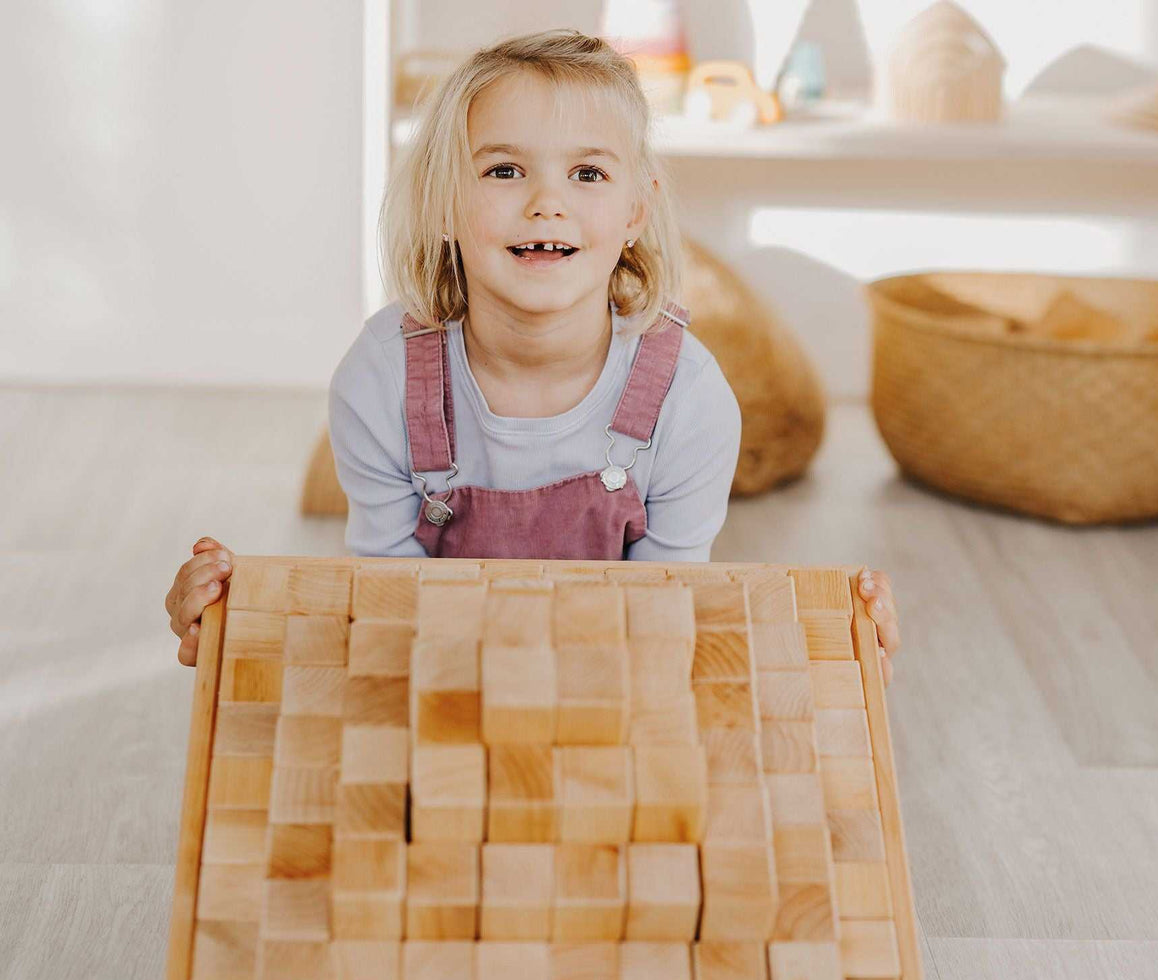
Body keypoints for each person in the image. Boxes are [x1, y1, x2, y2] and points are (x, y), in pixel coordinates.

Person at [165, 29, 900, 679]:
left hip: (612, 686)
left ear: (635, 211)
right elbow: (387, 615)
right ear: (446, 202)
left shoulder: (690, 401)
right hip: (438, 683)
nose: (547, 201)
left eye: (587, 174)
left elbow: (665, 630)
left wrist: (836, 639)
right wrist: (237, 617)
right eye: (504, 170)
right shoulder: (381, 381)